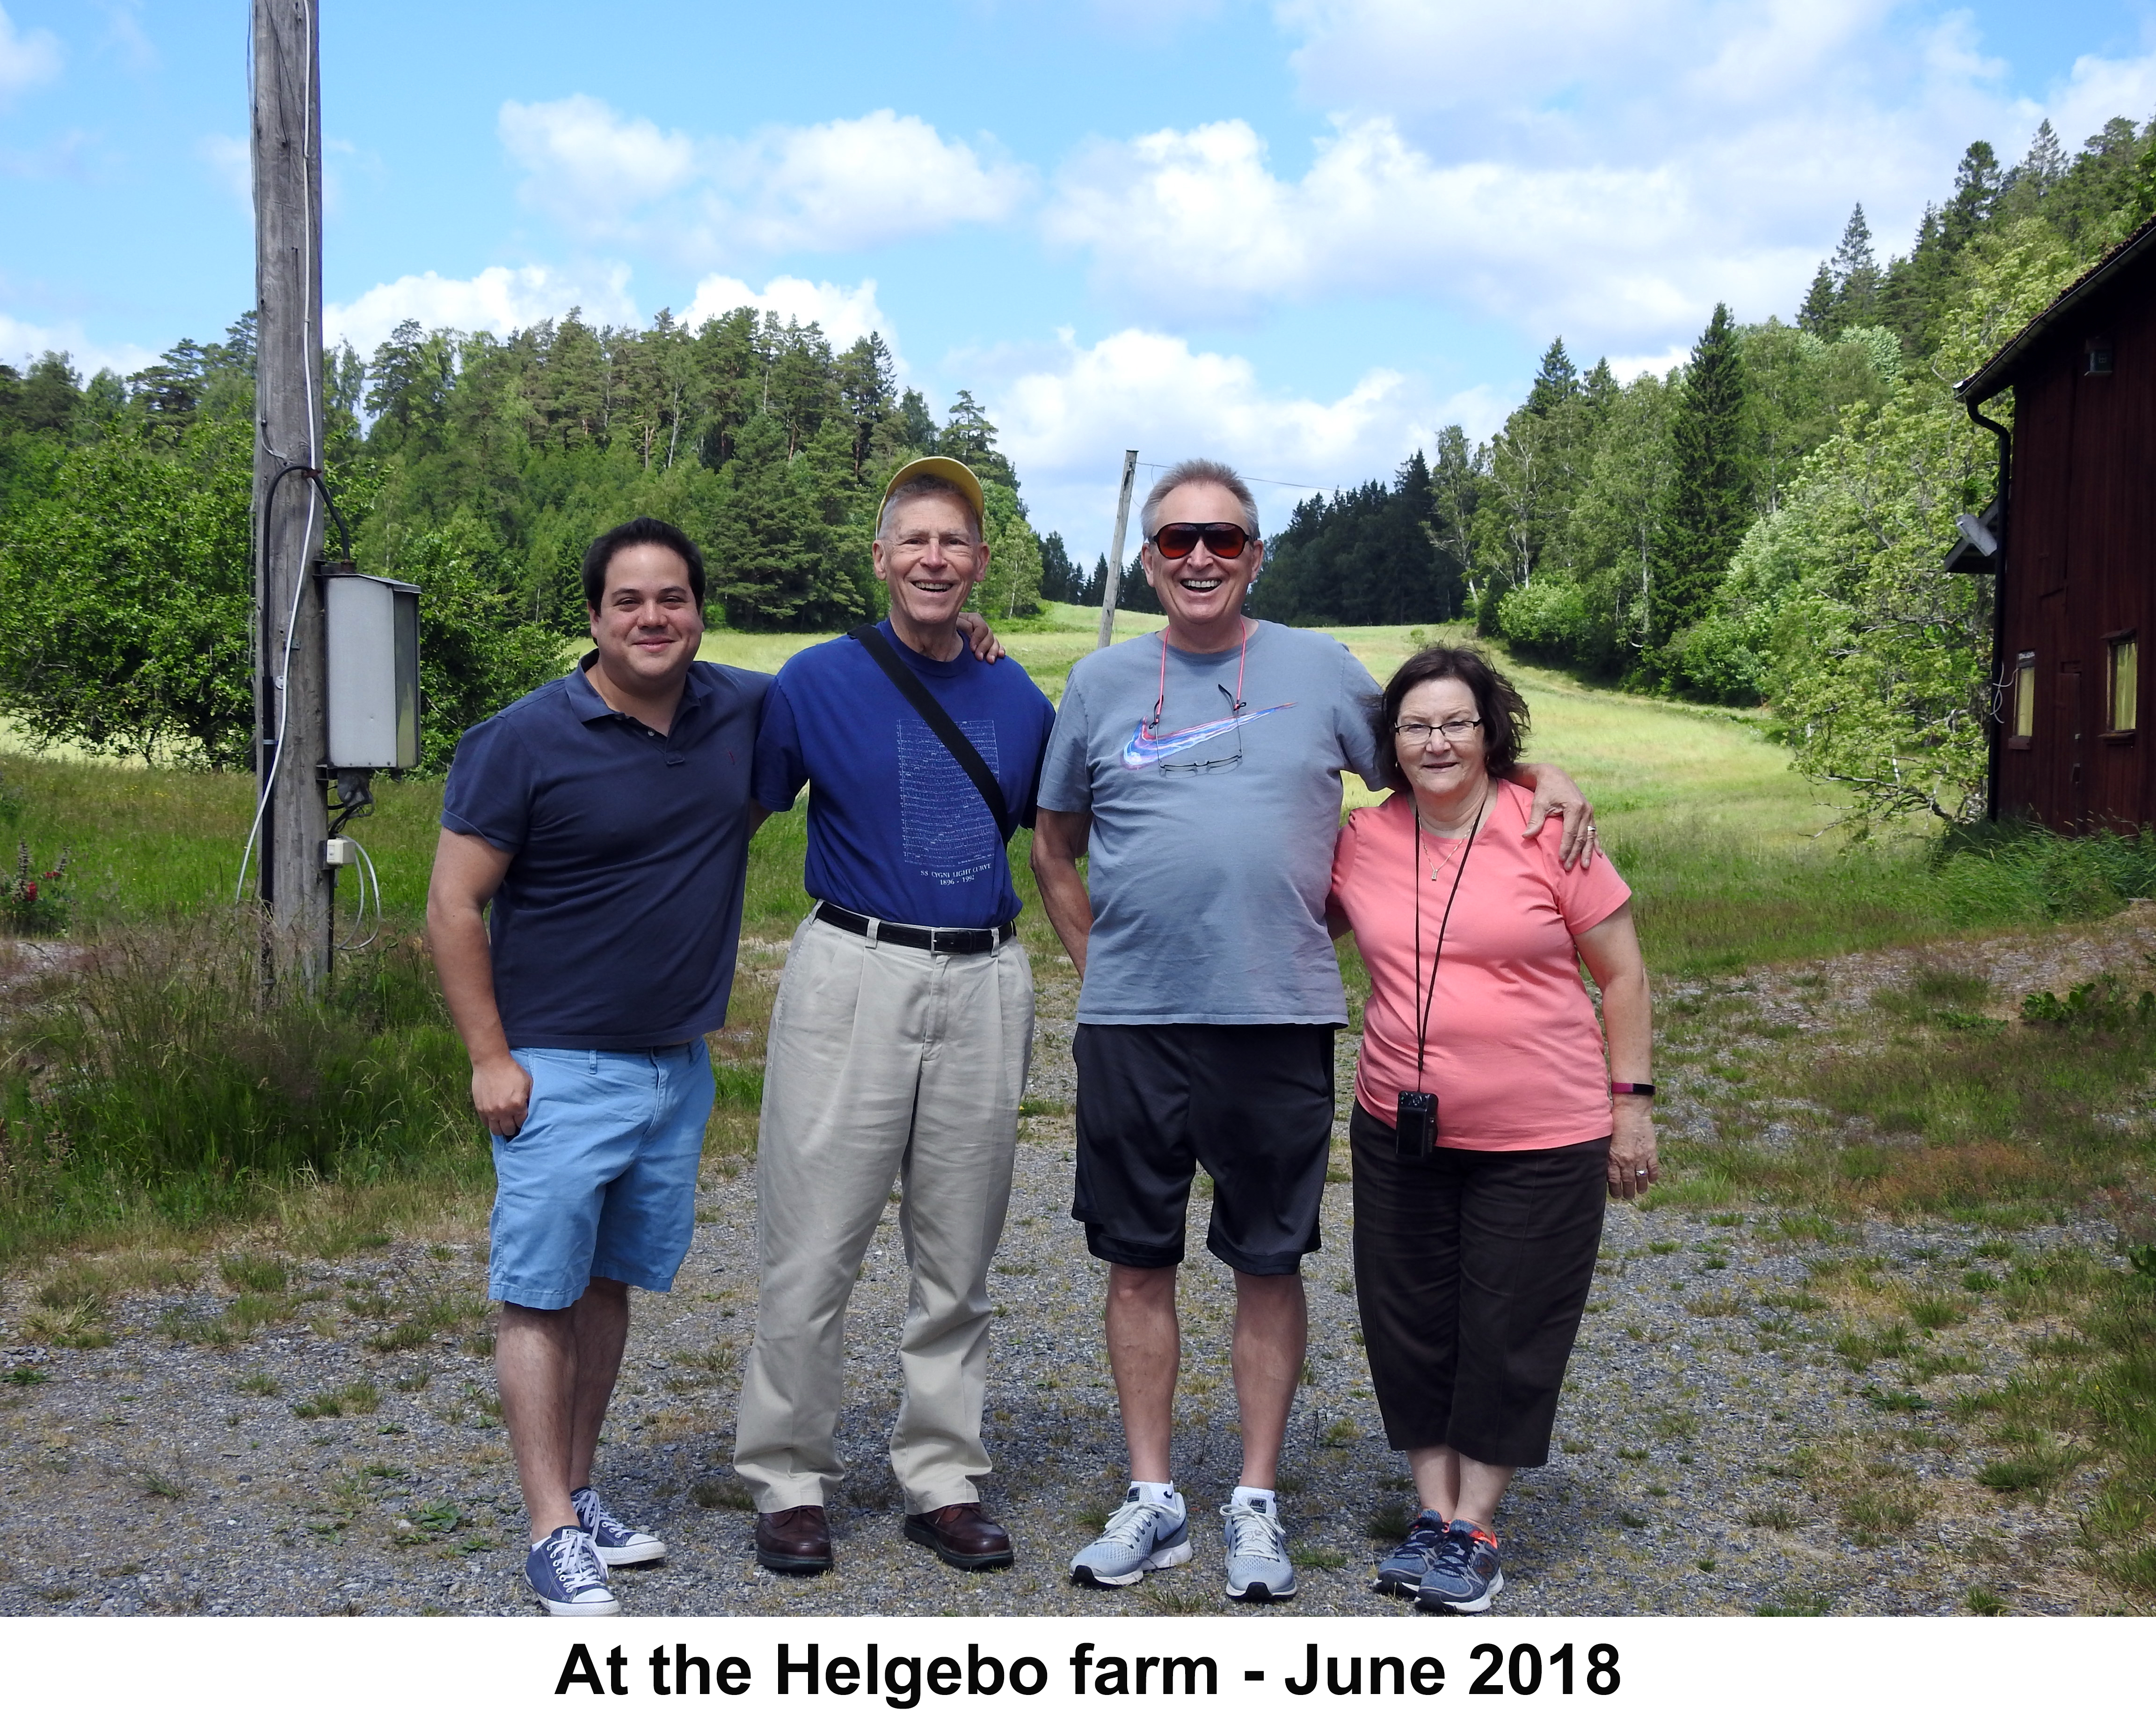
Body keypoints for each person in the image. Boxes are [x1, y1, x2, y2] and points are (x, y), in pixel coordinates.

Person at [1030, 458, 1596, 1605]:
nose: (1200, 557)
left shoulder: (1320, 669)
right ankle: (1152, 1496)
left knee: (1265, 1259)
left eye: (1225, 540)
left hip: (1277, 1021)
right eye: (1178, 538)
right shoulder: (1096, 683)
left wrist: (1541, 770)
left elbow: (1445, 748)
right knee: (1137, 1263)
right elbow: (1054, 843)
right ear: (1146, 557)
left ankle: (1253, 1500)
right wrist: (1101, 967)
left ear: (1254, 555)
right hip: (1133, 1029)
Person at [428, 518, 768, 1616]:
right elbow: (452, 902)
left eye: (673, 597)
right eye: (629, 601)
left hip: (677, 1066)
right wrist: (490, 1055)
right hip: (557, 1068)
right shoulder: (524, 737)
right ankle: (546, 1533)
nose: (653, 618)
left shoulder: (742, 710)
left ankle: (578, 1493)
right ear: (593, 617)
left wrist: (976, 638)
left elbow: (866, 679)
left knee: (609, 1285)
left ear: (700, 610)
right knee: (537, 1293)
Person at [733, 457, 1058, 1577]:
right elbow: (729, 793)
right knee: (813, 1243)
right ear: (878, 558)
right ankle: (786, 1476)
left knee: (957, 1250)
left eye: (954, 542)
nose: (933, 558)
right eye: (913, 540)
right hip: (853, 969)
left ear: (979, 565)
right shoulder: (814, 681)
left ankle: (939, 1474)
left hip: (983, 978)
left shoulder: (1018, 696)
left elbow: (1054, 829)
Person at [1326, 643, 1655, 1614]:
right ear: (1390, 741)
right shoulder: (1363, 839)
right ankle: (1430, 1512)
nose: (1437, 741)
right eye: (1416, 725)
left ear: (1490, 731)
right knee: (1410, 1320)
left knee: (1510, 1327)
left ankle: (1477, 1526)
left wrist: (1629, 1104)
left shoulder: (1548, 824)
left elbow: (1624, 975)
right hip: (1399, 1125)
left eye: (1456, 722)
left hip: (1544, 1132)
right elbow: (1283, 916)